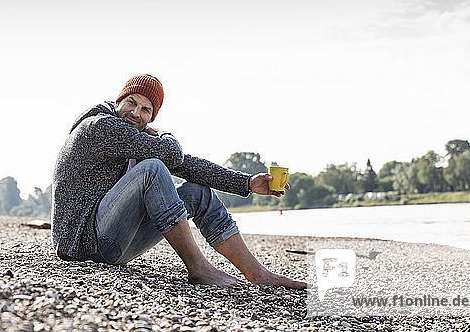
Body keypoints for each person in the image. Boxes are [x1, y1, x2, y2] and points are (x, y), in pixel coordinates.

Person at [52, 74, 306, 289]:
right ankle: (199, 268)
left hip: (112, 245)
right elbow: (171, 153)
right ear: (118, 101)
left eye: (145, 109)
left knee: (196, 192)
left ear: (151, 117)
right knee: (152, 168)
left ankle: (257, 274)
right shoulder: (100, 127)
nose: (135, 113)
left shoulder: (133, 137)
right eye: (131, 102)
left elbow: (187, 164)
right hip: (81, 246)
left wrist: (247, 183)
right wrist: (164, 134)